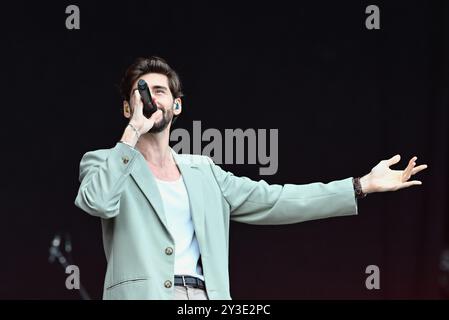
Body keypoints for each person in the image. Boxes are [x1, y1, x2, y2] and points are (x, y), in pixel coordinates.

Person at [74, 56, 428, 300]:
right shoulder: (105, 162)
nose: (151, 98)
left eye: (160, 91)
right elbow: (97, 201)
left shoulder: (204, 173)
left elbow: (276, 200)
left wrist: (360, 185)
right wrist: (134, 129)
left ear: (177, 106)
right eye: (142, 91)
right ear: (127, 105)